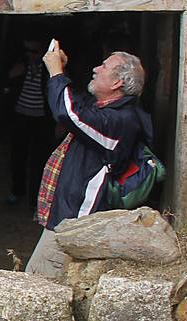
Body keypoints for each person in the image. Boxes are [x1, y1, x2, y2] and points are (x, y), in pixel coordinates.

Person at [25, 43, 151, 279]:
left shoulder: (121, 121)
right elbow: (78, 107)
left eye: (104, 66)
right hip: (67, 218)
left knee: (40, 285)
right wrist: (62, 70)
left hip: (76, 223)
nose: (95, 69)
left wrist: (55, 73)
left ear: (117, 83)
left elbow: (69, 114)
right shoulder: (107, 110)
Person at [3, 37, 55, 208]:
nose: (30, 55)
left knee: (38, 160)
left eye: (34, 51)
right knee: (18, 157)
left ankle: (34, 200)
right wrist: (11, 76)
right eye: (27, 51)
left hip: (41, 119)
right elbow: (4, 87)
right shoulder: (20, 65)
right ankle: (17, 191)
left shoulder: (49, 68)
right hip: (21, 116)